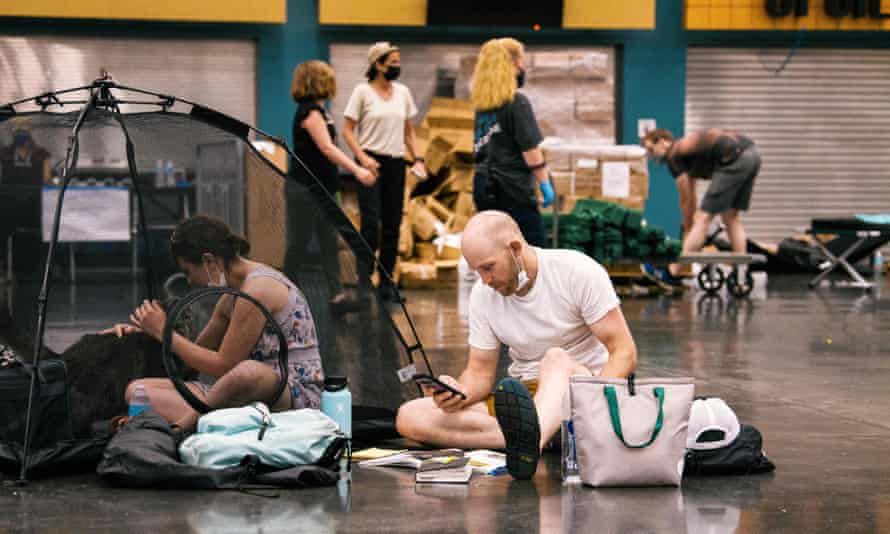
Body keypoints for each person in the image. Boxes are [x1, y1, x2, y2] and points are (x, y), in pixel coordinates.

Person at [395, 210, 637, 479]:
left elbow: (623, 352)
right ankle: (528, 439)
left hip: (582, 391)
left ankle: (532, 439)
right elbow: (479, 373)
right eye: (477, 272)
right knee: (410, 416)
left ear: (515, 249)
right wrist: (458, 392)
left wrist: (592, 405)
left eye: (488, 267)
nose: (485, 281)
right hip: (525, 402)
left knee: (556, 358)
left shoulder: (577, 271)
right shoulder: (483, 295)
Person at [105, 215, 324, 431]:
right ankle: (217, 418)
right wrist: (143, 333)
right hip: (238, 395)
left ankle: (184, 425)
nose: (189, 281)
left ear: (209, 260)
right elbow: (193, 358)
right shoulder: (230, 297)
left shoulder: (258, 289)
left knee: (248, 371)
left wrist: (164, 333)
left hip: (291, 394)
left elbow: (224, 365)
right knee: (137, 391)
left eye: (188, 271)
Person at [342, 41, 426, 302]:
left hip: (396, 162)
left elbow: (408, 130)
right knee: (370, 225)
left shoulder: (402, 92)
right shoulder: (362, 92)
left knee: (392, 225)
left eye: (398, 63)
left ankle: (387, 283)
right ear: (377, 65)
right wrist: (363, 158)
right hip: (372, 161)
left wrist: (418, 158)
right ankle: (364, 281)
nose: (397, 67)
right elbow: (347, 130)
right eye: (393, 63)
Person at [290, 60, 378, 310]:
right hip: (306, 189)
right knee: (297, 243)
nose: (333, 82)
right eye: (328, 77)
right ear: (318, 81)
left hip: (324, 188)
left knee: (329, 242)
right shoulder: (310, 112)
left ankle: (336, 295)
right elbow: (327, 148)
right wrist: (358, 171)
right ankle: (284, 295)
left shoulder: (321, 111)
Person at [642, 128, 761, 280]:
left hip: (734, 158)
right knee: (730, 217)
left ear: (663, 142)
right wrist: (689, 222)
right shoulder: (685, 151)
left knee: (702, 219)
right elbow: (690, 195)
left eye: (651, 149)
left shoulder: (674, 155)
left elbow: (686, 198)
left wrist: (688, 228)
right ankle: (741, 273)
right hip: (752, 155)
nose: (652, 156)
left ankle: (672, 272)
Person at [470, 38, 554, 248]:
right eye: (521, 62)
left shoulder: (483, 106)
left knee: (496, 252)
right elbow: (531, 151)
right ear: (512, 66)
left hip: (483, 188)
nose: (523, 67)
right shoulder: (517, 103)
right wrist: (544, 183)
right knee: (534, 251)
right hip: (512, 190)